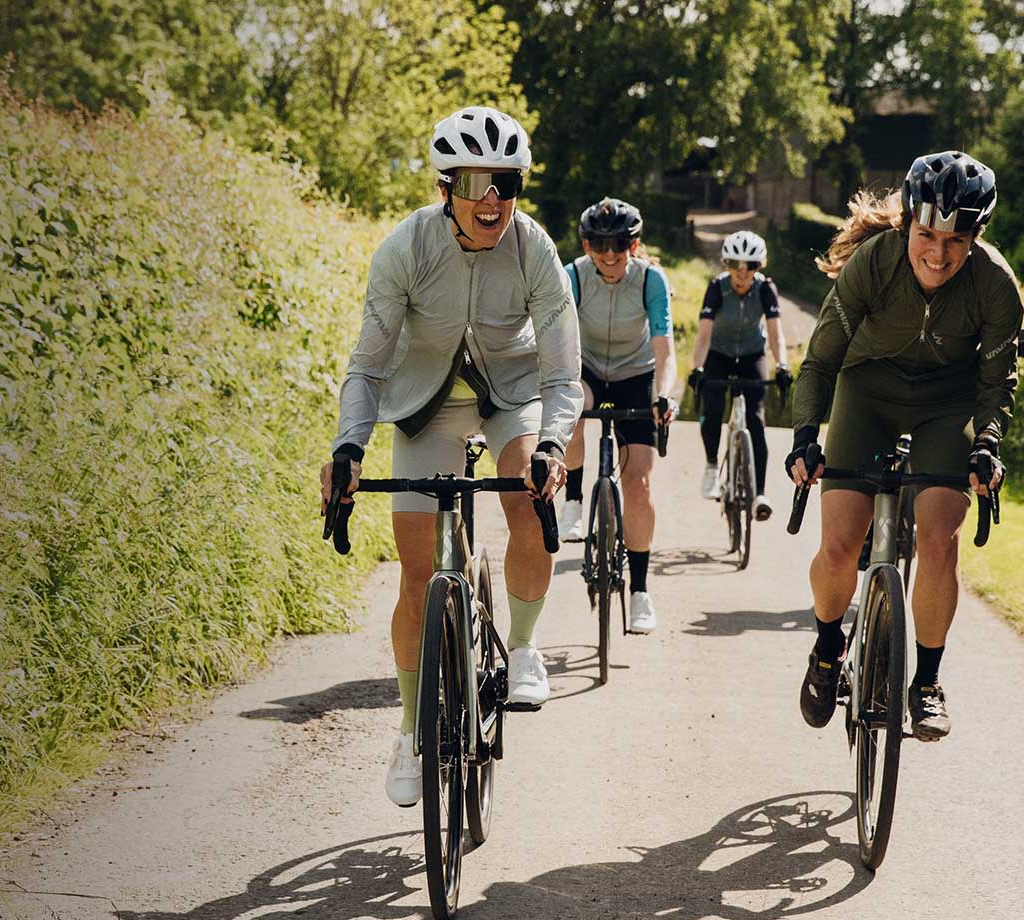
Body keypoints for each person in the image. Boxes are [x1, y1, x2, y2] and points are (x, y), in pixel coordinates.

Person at [320, 107, 581, 807]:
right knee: (415, 577)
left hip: (513, 392)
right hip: (425, 403)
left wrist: (553, 444)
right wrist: (349, 446)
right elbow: (368, 366)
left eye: (508, 181)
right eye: (476, 181)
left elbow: (562, 377)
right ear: (447, 187)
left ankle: (522, 648)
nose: (493, 196)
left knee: (527, 493)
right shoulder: (406, 248)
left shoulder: (535, 250)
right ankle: (409, 731)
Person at [787, 150, 1021, 742]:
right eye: (926, 235)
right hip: (867, 390)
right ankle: (825, 648)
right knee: (840, 545)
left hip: (947, 403)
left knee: (941, 536)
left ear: (976, 235)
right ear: (908, 223)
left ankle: (928, 682)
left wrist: (987, 442)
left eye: (956, 240)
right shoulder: (875, 262)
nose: (938, 254)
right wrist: (807, 436)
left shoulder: (995, 286)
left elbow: (997, 383)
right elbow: (821, 359)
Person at [555, 197, 676, 634]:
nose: (609, 255)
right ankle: (572, 500)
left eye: (619, 245)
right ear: (587, 245)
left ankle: (640, 591)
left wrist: (664, 396)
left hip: (634, 374)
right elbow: (558, 343)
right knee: (572, 405)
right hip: (585, 367)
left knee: (639, 484)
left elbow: (665, 351)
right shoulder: (571, 276)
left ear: (634, 244)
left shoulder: (651, 280)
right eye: (600, 245)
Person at [688, 230, 793, 519]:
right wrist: (696, 368)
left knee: (756, 419)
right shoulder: (716, 288)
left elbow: (775, 334)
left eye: (751, 265)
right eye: (735, 264)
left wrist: (782, 364)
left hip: (751, 355)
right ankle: (711, 466)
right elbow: (703, 335)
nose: (742, 272)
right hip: (719, 354)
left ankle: (759, 493)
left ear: (759, 267)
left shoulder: (765, 289)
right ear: (726, 264)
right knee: (712, 406)